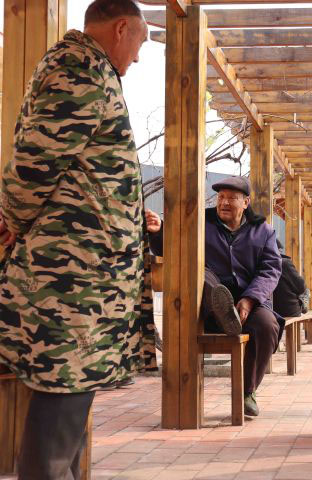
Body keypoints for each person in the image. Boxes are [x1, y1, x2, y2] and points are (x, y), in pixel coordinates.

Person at [0, 1, 155, 478]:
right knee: (62, 398)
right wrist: (9, 221)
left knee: (69, 402)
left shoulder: (90, 71)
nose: (139, 56)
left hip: (82, 277)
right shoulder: (81, 71)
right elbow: (35, 164)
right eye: (141, 43)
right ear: (121, 28)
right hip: (69, 279)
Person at [146, 176, 282, 417]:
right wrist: (158, 233)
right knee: (201, 272)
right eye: (221, 197)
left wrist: (249, 299)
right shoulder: (199, 223)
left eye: (231, 198)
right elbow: (174, 246)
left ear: (246, 202)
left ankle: (247, 391)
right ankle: (222, 308)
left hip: (248, 304)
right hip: (208, 305)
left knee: (267, 325)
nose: (224, 203)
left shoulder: (264, 231)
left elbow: (270, 270)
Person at [273, 239, 309, 318]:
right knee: (305, 290)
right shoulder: (284, 263)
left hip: (268, 310)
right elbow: (300, 286)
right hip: (288, 310)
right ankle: (304, 305)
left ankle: (303, 302)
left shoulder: (260, 263)